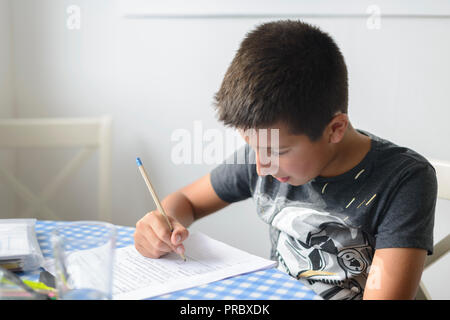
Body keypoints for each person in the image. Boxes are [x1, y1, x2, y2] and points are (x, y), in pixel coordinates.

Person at [134, 20, 437, 300]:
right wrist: (165, 222)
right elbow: (187, 200)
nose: (261, 166)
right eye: (252, 147)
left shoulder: (404, 180)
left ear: (335, 129)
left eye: (277, 152)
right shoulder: (266, 149)